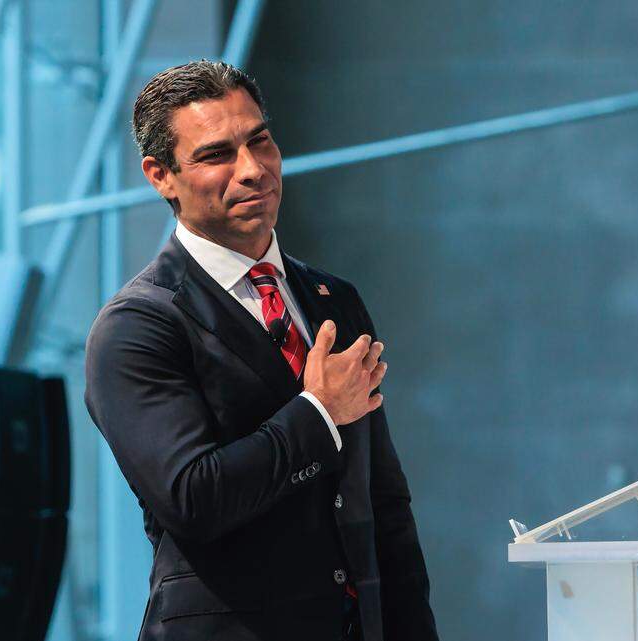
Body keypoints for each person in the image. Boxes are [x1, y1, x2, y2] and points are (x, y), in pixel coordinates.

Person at [84, 60, 439, 641]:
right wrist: (319, 413)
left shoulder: (333, 298)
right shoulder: (137, 327)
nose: (252, 170)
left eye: (261, 141)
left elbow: (382, 499)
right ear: (161, 176)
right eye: (216, 154)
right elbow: (194, 499)